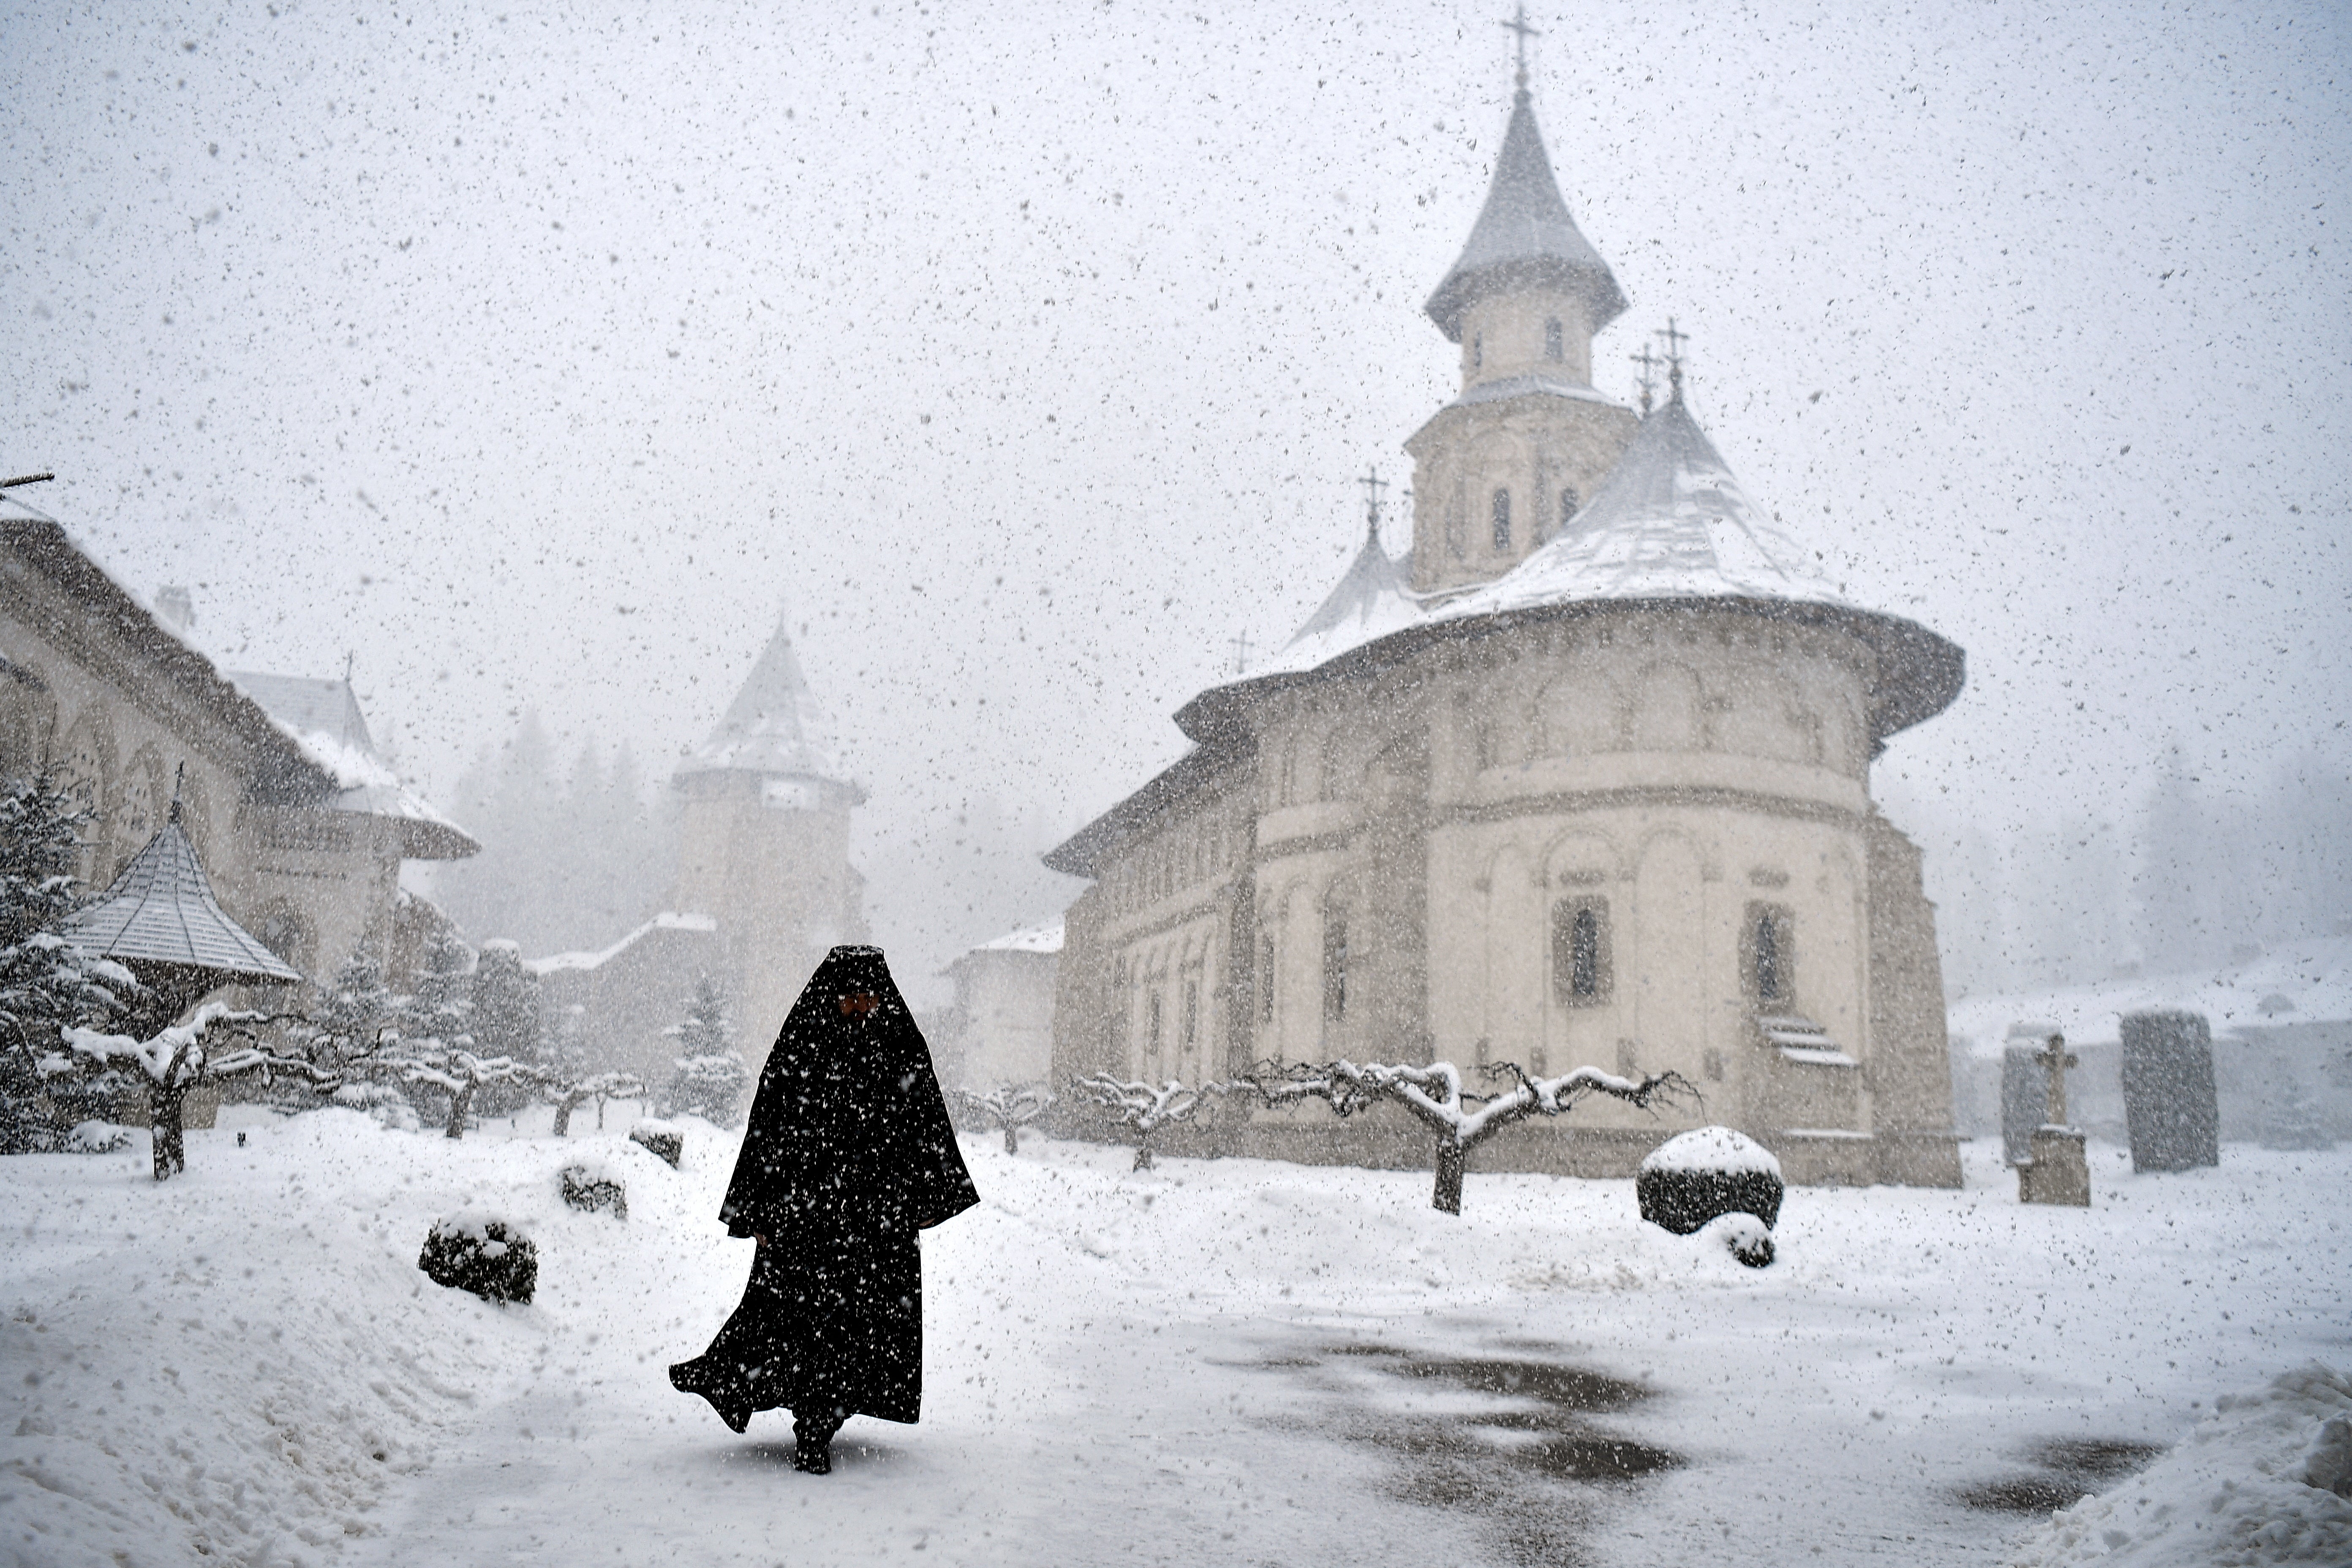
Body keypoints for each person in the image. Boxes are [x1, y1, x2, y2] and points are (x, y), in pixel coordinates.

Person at [669, 945, 979, 1473]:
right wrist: (758, 1211)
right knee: (795, 1320)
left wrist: (932, 1198)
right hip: (807, 1216)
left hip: (876, 1222)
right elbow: (768, 1125)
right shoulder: (803, 1045)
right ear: (829, 998)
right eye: (849, 999)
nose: (859, 1009)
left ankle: (799, 1415)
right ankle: (759, 1396)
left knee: (856, 1330)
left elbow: (926, 1119)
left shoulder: (899, 1045)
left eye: (868, 998)